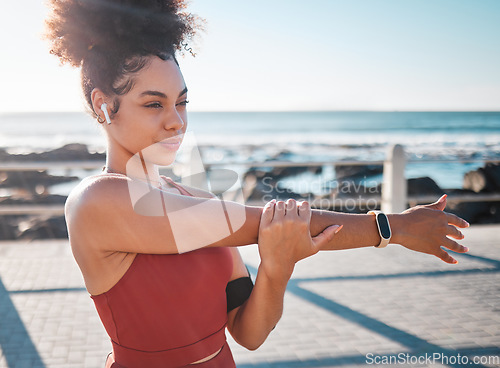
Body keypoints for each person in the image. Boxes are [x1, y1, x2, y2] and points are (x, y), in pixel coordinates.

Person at [44, 1, 470, 367]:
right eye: (154, 103)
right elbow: (267, 221)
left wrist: (278, 266)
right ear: (104, 105)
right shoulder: (97, 199)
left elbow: (249, 332)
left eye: (182, 101)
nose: (177, 120)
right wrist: (390, 228)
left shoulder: (195, 198)